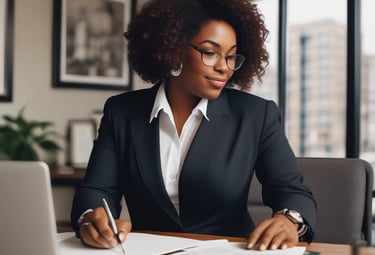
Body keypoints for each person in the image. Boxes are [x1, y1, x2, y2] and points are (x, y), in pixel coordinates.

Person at [71, 0, 317, 251]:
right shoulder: (121, 112)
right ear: (173, 50)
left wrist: (289, 220)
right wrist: (92, 219)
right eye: (210, 52)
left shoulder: (256, 115)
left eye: (231, 56)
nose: (224, 67)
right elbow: (96, 190)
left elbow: (293, 192)